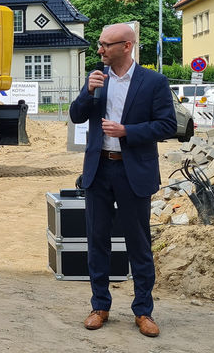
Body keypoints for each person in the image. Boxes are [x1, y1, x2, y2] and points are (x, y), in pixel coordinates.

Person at [69, 23, 176, 337]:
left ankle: (143, 311)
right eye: (99, 44)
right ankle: (100, 306)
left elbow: (167, 125)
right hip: (99, 169)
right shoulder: (96, 79)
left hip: (133, 172)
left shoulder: (153, 82)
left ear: (126, 46)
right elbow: (76, 115)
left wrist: (128, 131)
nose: (99, 50)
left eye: (105, 44)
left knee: (139, 245)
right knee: (97, 240)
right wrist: (88, 92)